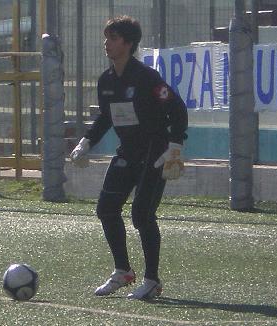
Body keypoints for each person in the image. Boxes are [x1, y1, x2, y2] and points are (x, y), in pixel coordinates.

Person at [70, 15, 188, 300]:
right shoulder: (107, 80)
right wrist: (86, 141)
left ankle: (152, 280)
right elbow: (106, 118)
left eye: (113, 38)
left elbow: (178, 109)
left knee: (142, 215)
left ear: (129, 43)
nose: (106, 43)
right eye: (106, 37)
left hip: (154, 153)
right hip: (128, 152)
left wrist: (175, 147)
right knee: (106, 208)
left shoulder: (146, 77)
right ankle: (123, 271)